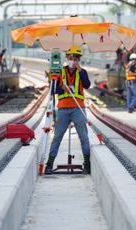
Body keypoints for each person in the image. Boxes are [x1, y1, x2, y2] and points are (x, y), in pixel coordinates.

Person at [45, 45, 91, 175]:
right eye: (72, 57)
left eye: (77, 58)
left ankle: (87, 163)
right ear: (66, 58)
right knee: (57, 137)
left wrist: (80, 70)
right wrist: (62, 89)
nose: (74, 60)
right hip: (63, 109)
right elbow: (53, 90)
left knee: (84, 137)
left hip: (78, 108)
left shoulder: (82, 72)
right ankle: (49, 163)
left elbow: (87, 85)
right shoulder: (60, 72)